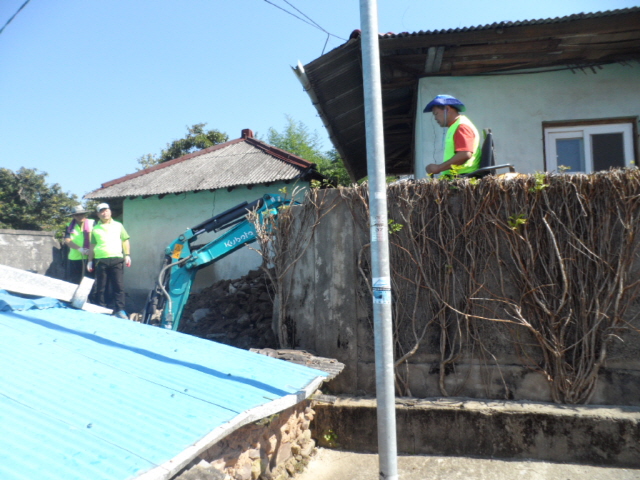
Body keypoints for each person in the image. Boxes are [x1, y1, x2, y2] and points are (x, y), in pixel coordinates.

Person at [88, 203, 131, 319]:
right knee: (101, 287)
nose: (104, 213)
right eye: (101, 211)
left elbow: (125, 240)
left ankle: (120, 310)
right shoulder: (95, 229)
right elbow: (92, 245)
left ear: (110, 212)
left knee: (118, 286)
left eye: (106, 210)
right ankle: (102, 308)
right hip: (100, 260)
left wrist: (127, 255)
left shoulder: (118, 225)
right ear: (98, 214)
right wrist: (90, 261)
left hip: (117, 258)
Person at [424, 95, 481, 177]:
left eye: (436, 114)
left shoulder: (461, 127)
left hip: (463, 178)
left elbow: (465, 154)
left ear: (447, 109)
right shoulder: (455, 126)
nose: (435, 118)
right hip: (460, 177)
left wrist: (438, 168)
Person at [63, 205, 94, 285]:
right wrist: (80, 249)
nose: (80, 216)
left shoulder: (92, 223)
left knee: (90, 281)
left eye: (82, 214)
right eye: (77, 215)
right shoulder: (69, 225)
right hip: (74, 257)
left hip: (90, 257)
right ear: (73, 216)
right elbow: (67, 240)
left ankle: (90, 298)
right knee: (74, 281)